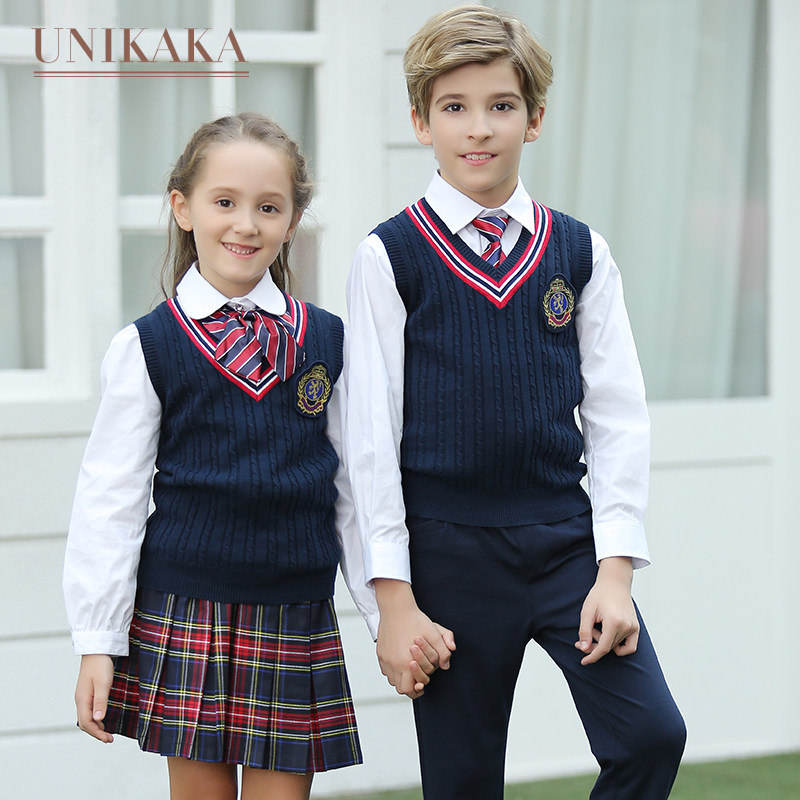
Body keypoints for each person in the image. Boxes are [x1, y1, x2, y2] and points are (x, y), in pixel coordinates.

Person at [345, 6, 687, 799]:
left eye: (501, 105)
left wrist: (615, 573)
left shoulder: (579, 250)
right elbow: (369, 440)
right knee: (463, 783)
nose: (479, 128)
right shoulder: (390, 255)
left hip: (567, 544)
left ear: (534, 118)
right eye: (454, 107)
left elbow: (617, 415)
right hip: (449, 553)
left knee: (651, 735)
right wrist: (391, 603)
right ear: (420, 122)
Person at [63, 112, 381, 800]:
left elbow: (356, 492)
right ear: (183, 209)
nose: (246, 224)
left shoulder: (330, 341)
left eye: (268, 207)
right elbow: (110, 500)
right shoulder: (148, 346)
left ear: (293, 221)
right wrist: (98, 639)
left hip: (295, 608)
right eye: (225, 202)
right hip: (186, 608)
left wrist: (385, 614)